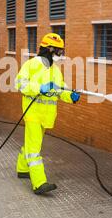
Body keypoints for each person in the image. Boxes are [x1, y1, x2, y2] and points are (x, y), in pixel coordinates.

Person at [14, 33, 81, 195]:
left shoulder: (55, 70)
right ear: (49, 49)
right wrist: (39, 88)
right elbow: (19, 84)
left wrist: (70, 96)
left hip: (46, 116)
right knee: (34, 149)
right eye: (59, 51)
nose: (61, 55)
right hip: (33, 114)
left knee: (31, 144)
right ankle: (39, 183)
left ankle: (22, 168)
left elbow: (60, 89)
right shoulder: (31, 65)